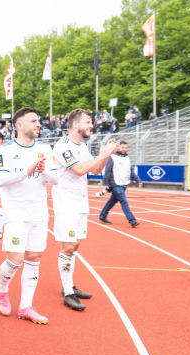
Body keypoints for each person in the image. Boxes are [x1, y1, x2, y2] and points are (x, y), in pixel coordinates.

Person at [0, 107, 58, 323]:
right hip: (15, 213)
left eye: (38, 121)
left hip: (38, 212)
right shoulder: (5, 151)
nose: (39, 124)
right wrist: (26, 171)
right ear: (19, 125)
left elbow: (56, 179)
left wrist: (43, 170)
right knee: (16, 259)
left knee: (34, 257)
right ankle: (2, 289)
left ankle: (25, 306)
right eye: (33, 121)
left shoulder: (46, 149)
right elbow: (1, 180)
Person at [52, 109, 116, 312]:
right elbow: (79, 169)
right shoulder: (63, 146)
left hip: (80, 201)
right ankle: (67, 292)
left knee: (76, 244)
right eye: (88, 122)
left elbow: (95, 170)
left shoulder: (81, 146)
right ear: (75, 124)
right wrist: (103, 154)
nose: (91, 125)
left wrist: (106, 156)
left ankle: (69, 285)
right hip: (66, 201)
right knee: (68, 246)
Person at [98, 140, 141, 227]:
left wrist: (137, 179)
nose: (124, 149)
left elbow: (130, 170)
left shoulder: (127, 158)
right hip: (115, 184)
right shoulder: (112, 157)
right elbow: (108, 171)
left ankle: (102, 216)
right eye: (122, 147)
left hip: (124, 184)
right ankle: (132, 220)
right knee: (124, 201)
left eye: (126, 147)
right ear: (118, 147)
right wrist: (106, 183)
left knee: (112, 201)